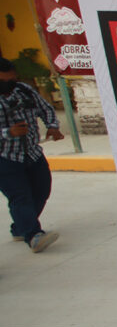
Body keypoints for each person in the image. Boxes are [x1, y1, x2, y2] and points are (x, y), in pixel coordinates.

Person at [0, 57, 65, 252]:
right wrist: (8, 133)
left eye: (12, 80)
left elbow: (45, 108)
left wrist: (52, 126)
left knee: (41, 190)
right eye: (4, 82)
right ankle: (33, 235)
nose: (9, 85)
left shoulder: (24, 90)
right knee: (20, 197)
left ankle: (20, 227)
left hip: (33, 153)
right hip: (6, 158)